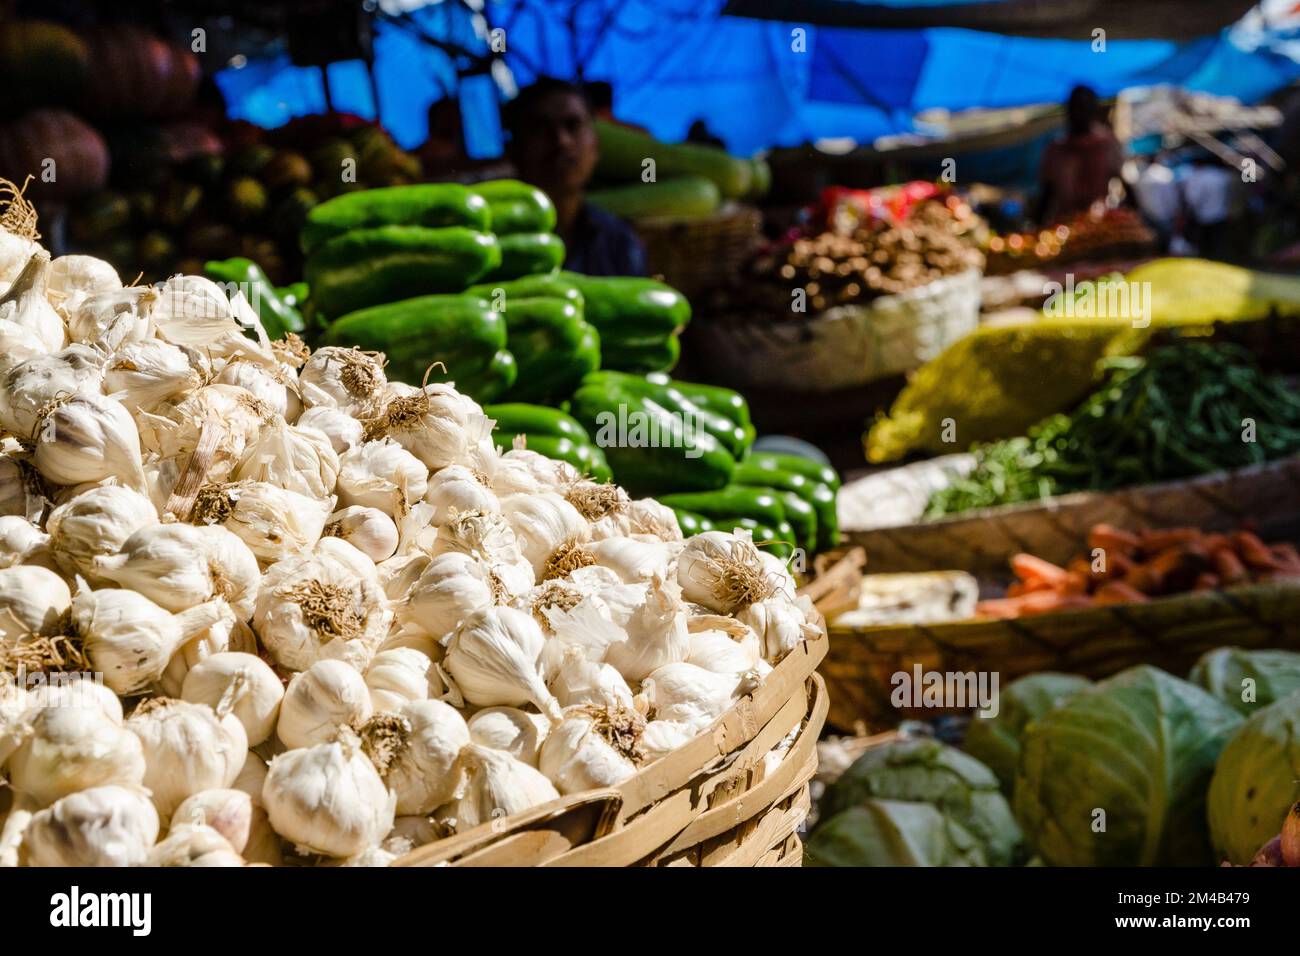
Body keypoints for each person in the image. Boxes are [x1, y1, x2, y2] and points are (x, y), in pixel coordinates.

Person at [503, 77, 647, 277]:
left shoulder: (620, 243)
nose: (561, 141)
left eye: (573, 125)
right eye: (540, 128)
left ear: (596, 145)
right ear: (514, 150)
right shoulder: (494, 244)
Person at [1036, 85, 1124, 224]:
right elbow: (1047, 192)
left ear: (1093, 110)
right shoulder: (1056, 149)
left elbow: (1122, 180)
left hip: (1098, 223)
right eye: (1075, 108)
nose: (1079, 114)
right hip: (1064, 224)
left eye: (1083, 108)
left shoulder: (1106, 143)